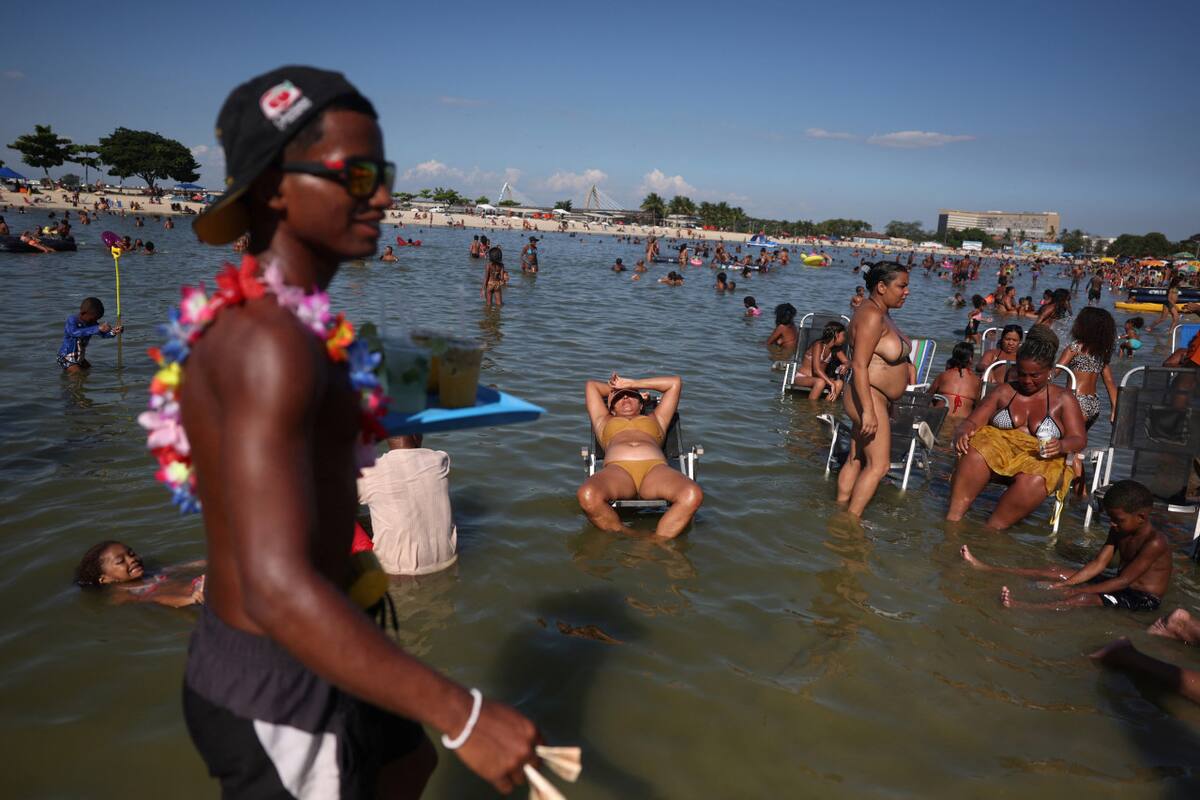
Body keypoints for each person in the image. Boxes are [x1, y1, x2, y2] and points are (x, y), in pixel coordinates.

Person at [173, 66, 540, 797]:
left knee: (408, 764)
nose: (383, 197)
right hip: (278, 676)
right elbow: (274, 588)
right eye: (358, 175)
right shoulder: (268, 344)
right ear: (274, 187)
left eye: (384, 175)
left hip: (330, 631)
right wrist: (463, 713)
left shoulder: (298, 330)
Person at [946, 326, 1087, 529]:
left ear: (1050, 371)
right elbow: (973, 421)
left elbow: (1079, 439)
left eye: (1035, 375)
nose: (1027, 381)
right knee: (975, 452)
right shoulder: (1004, 391)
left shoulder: (1064, 398)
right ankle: (951, 525)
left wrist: (1062, 446)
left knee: (1038, 478)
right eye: (1022, 374)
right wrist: (962, 431)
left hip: (1039, 456)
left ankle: (989, 533)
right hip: (997, 448)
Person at [960, 480, 1170, 610]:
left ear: (1141, 517)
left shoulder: (1155, 543)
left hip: (1141, 597)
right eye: (1110, 519)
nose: (1112, 524)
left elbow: (1124, 581)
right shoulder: (1119, 529)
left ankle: (1022, 606)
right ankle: (987, 568)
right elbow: (1099, 563)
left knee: (1083, 598)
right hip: (1118, 584)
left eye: (1118, 519)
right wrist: (1067, 583)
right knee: (1056, 571)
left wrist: (1076, 590)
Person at [577, 374, 702, 539]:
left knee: (692, 494)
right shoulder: (603, 421)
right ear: (611, 408)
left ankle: (655, 540)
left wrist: (632, 383)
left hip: (655, 471)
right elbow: (591, 386)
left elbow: (674, 383)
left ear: (641, 403)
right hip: (618, 472)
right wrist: (621, 387)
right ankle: (628, 534)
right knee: (587, 495)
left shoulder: (658, 418)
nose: (625, 397)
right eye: (619, 396)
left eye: (631, 394)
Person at [837, 261, 911, 518]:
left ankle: (840, 508)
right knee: (879, 466)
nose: (906, 292)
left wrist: (891, 400)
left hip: (874, 397)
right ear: (881, 287)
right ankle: (850, 522)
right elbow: (859, 364)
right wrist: (868, 411)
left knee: (856, 458)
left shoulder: (881, 313)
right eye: (901, 286)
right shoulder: (871, 315)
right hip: (868, 396)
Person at [357, 434, 457, 576]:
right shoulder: (439, 460)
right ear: (417, 435)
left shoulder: (368, 473)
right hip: (448, 562)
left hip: (396, 572)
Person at [75, 540, 206, 608]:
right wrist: (190, 600)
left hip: (200, 587)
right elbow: (158, 599)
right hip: (194, 599)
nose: (132, 559)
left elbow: (185, 567)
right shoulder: (122, 594)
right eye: (120, 561)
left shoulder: (152, 572)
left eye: (131, 553)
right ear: (105, 579)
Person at [1057, 307, 1118, 428]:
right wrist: (1115, 409)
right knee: (1080, 437)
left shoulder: (1075, 347)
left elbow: (1056, 371)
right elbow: (1110, 381)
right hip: (1093, 404)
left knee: (1062, 437)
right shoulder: (1101, 353)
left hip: (1076, 401)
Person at [57, 296, 121, 372]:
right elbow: (74, 332)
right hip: (66, 357)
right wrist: (97, 328)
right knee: (78, 374)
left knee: (88, 370)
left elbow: (103, 335)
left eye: (96, 319)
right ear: (83, 313)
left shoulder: (92, 323)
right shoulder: (72, 320)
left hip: (79, 357)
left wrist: (114, 331)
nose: (94, 322)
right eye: (92, 319)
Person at [791, 320, 846, 401]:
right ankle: (811, 407)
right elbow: (816, 370)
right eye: (843, 335)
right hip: (803, 377)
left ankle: (826, 406)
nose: (844, 339)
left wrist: (846, 365)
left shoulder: (835, 349)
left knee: (839, 383)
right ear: (836, 335)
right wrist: (831, 383)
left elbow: (848, 361)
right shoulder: (818, 345)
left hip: (820, 379)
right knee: (820, 382)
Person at [929, 342, 981, 418]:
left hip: (940, 418)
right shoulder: (977, 381)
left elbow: (927, 396)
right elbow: (978, 405)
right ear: (970, 359)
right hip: (962, 421)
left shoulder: (943, 375)